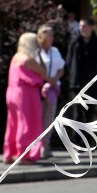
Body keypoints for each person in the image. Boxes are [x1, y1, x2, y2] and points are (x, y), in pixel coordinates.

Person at [3, 32, 48, 164]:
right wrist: (39, 54)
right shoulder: (28, 59)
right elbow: (43, 71)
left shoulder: (16, 57)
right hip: (25, 92)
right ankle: (23, 154)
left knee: (13, 123)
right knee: (28, 123)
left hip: (12, 91)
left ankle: (9, 153)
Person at [66, 17, 97, 123]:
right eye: (80, 26)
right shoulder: (74, 43)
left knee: (90, 113)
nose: (81, 28)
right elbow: (68, 62)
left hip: (92, 83)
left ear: (91, 27)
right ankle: (76, 139)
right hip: (77, 83)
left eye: (84, 26)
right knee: (77, 114)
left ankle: (87, 139)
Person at [36, 25, 65, 158]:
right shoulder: (37, 52)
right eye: (49, 35)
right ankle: (36, 147)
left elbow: (61, 68)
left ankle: (45, 146)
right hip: (39, 88)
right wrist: (47, 79)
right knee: (38, 118)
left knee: (49, 118)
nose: (52, 37)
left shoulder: (55, 51)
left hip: (52, 89)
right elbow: (36, 70)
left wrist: (54, 80)